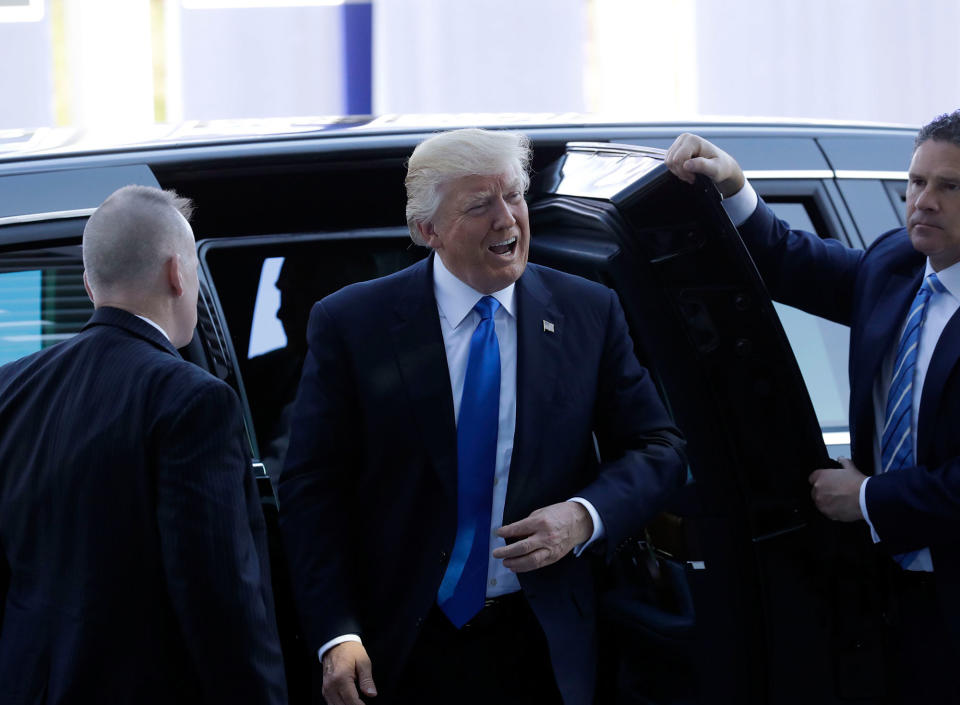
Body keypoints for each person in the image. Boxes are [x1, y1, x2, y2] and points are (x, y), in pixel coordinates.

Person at [279, 128, 686, 705]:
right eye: (479, 205)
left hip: (543, 641)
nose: (507, 219)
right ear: (428, 231)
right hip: (401, 643)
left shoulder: (587, 311)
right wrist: (336, 632)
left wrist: (582, 516)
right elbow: (311, 489)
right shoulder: (354, 323)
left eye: (515, 196)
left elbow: (657, 446)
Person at [666, 112, 960, 703]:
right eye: (915, 182)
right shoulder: (895, 266)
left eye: (949, 187)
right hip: (884, 596)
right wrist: (732, 186)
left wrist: (871, 498)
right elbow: (787, 259)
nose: (923, 201)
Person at [0, 185, 288, 704]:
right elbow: (219, 599)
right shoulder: (194, 402)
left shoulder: (10, 388)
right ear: (179, 272)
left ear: (88, 286)